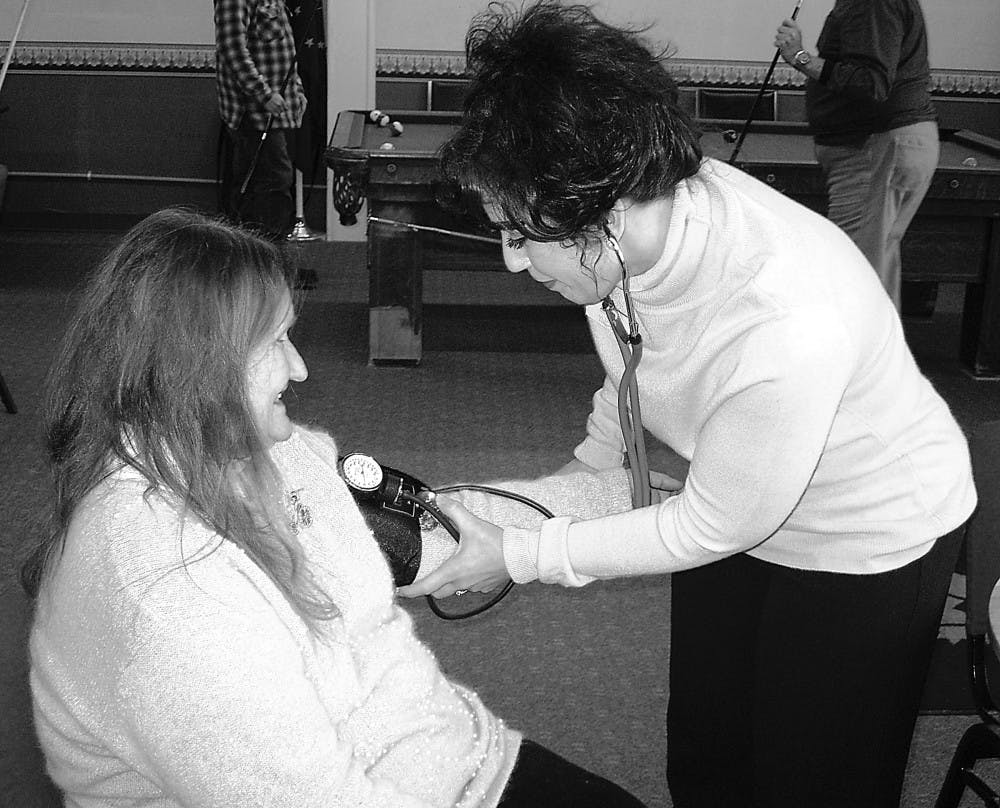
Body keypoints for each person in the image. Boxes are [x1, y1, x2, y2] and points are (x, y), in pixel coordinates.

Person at [396, 4, 977, 807]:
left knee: (811, 784)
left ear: (606, 211)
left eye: (521, 235)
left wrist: (521, 553)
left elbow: (711, 527)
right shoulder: (626, 234)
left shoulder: (782, 316)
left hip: (866, 532)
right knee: (708, 763)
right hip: (738, 486)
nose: (513, 262)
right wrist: (548, 495)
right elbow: (630, 378)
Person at [20, 208, 648, 808]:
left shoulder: (267, 452)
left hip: (447, 756)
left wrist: (631, 502)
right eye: (276, 342)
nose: (299, 368)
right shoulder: (162, 588)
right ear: (197, 367)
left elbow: (430, 529)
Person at [774, 0, 940, 313]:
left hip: (874, 147)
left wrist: (800, 57)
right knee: (871, 274)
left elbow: (870, 82)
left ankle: (856, 347)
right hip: (882, 145)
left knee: (851, 276)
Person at [215, 0, 305, 240]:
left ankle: (263, 252)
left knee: (269, 183)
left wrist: (297, 91)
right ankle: (266, 252)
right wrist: (264, 95)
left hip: (275, 111)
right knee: (273, 181)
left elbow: (285, 49)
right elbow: (232, 50)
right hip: (252, 113)